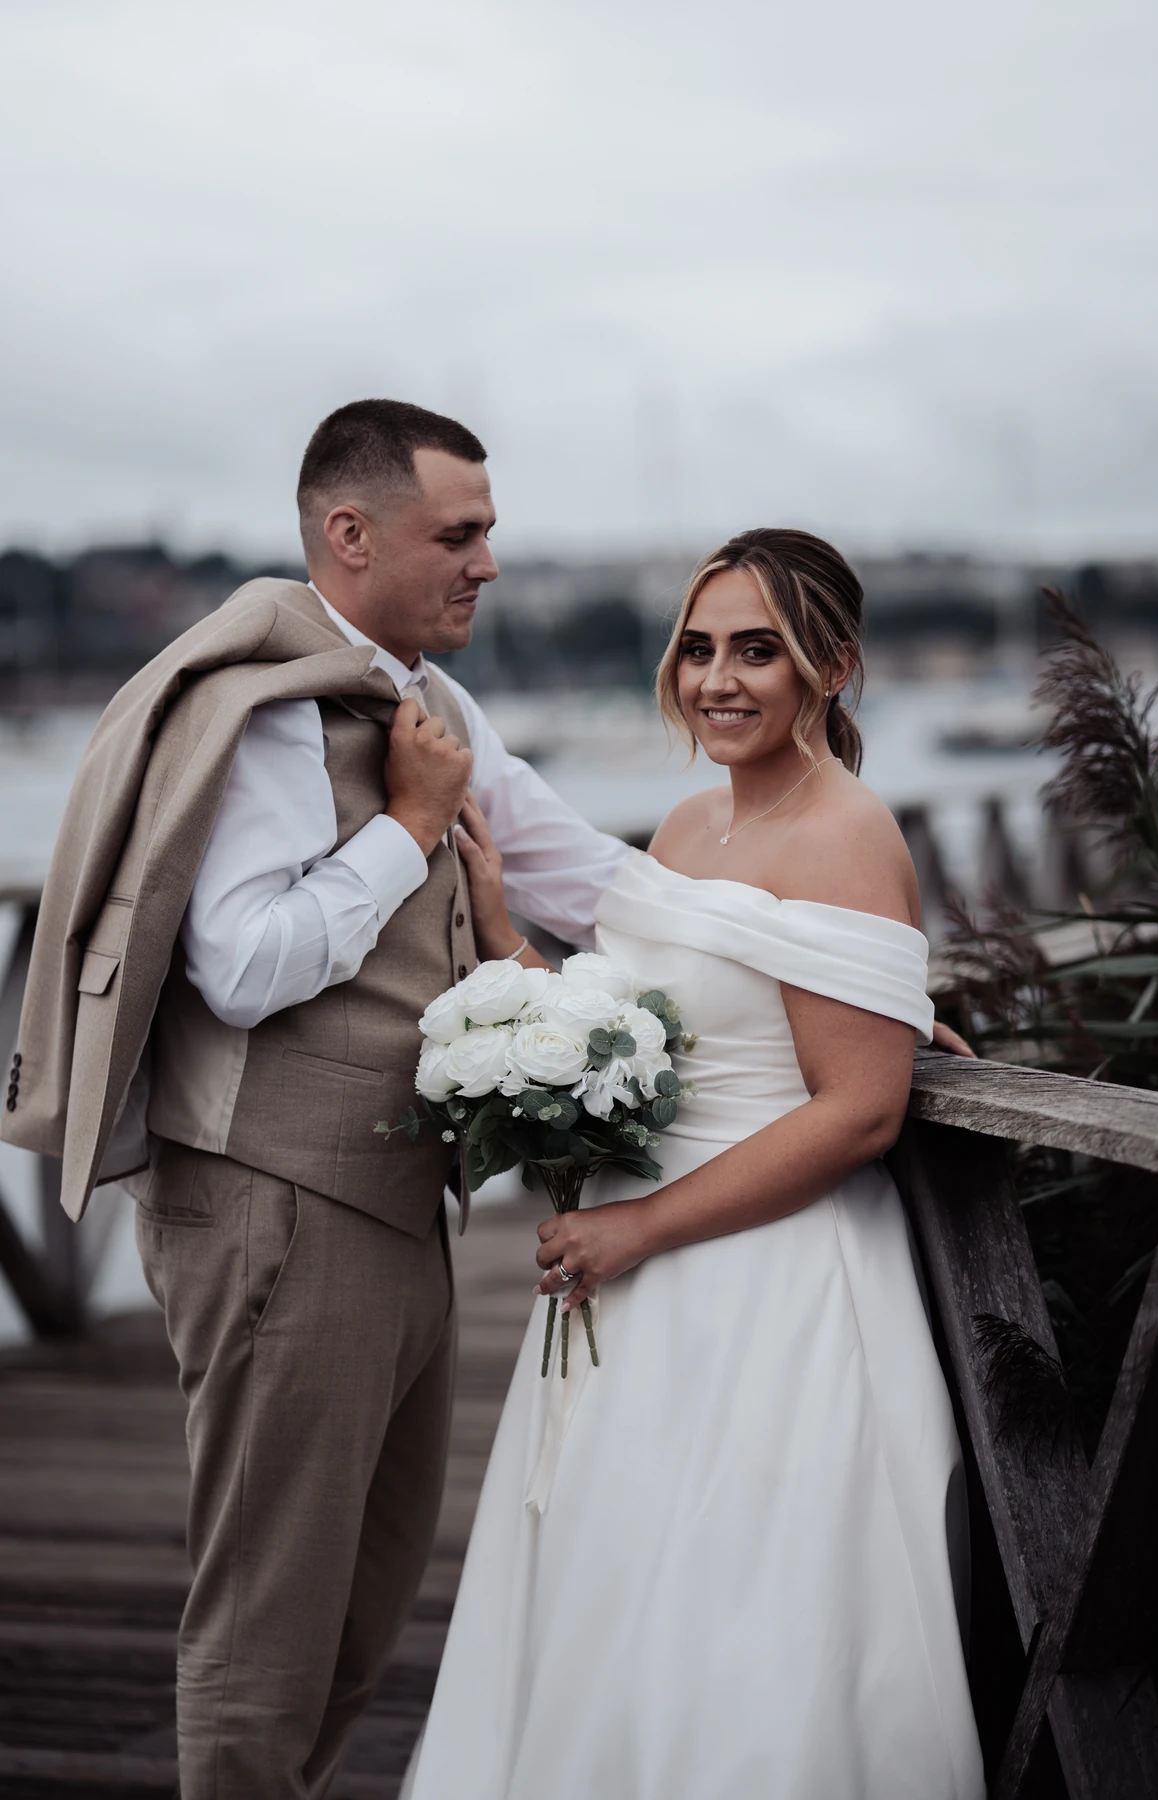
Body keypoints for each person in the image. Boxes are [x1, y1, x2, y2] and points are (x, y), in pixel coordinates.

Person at [2, 399, 630, 1800]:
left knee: (367, 1602)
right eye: (455, 534)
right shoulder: (273, 713)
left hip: (396, 1203)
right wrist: (408, 831)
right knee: (270, 1622)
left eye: (490, 533)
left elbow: (592, 879)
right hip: (270, 1208)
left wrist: (841, 964)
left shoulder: (434, 705)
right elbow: (245, 964)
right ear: (350, 534)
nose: (487, 563)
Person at [402, 528, 986, 1798]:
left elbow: (859, 1115)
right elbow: (654, 1042)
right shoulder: (686, 820)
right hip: (643, 1278)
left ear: (832, 667)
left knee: (747, 1613)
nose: (718, 679)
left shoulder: (847, 836)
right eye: (700, 648)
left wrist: (641, 1229)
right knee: (623, 1592)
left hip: (768, 1280)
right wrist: (509, 944)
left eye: (758, 651)